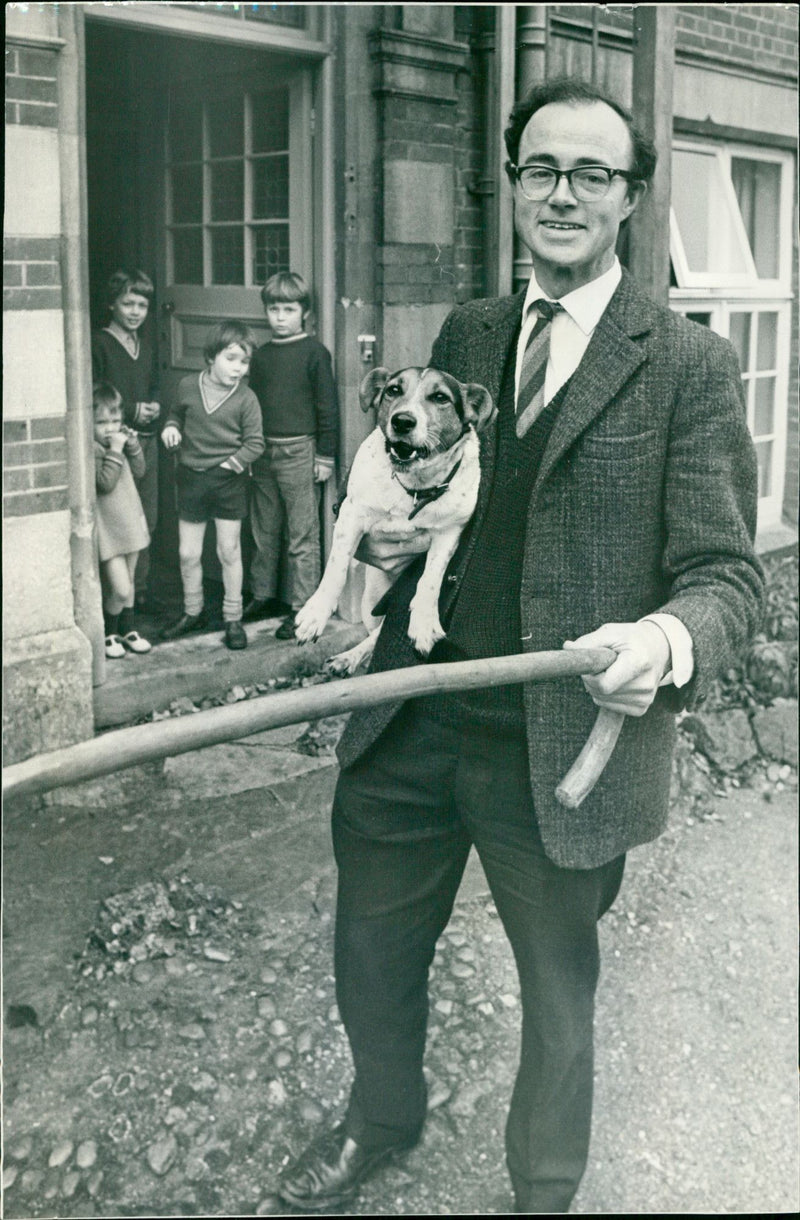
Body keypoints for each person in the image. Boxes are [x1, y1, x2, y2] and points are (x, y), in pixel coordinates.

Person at [274, 78, 764, 1214]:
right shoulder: (470, 331)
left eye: (591, 174)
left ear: (630, 197)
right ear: (512, 185)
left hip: (560, 741)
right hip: (413, 709)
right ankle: (379, 1119)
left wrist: (663, 637)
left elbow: (727, 579)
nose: (561, 194)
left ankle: (543, 1188)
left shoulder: (686, 363)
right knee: (371, 948)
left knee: (556, 997)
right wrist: (379, 558)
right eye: (540, 169)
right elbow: (433, 498)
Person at [243, 271, 338, 640]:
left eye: (288, 310)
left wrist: (325, 455)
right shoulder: (262, 356)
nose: (280, 317)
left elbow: (327, 407)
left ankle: (302, 606)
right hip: (263, 451)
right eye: (273, 309)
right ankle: (263, 595)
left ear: (305, 313)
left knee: (302, 534)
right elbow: (251, 405)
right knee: (264, 529)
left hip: (300, 451)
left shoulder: (315, 353)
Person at [159, 321, 264, 652]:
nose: (238, 368)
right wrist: (171, 428)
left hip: (228, 482)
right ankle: (194, 612)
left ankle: (233, 618)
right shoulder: (187, 386)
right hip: (192, 478)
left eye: (244, 361)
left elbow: (255, 443)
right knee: (188, 553)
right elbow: (176, 415)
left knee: (228, 551)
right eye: (231, 359)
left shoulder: (246, 398)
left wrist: (228, 466)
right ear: (211, 356)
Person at [91, 269, 161, 607]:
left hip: (144, 442)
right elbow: (95, 394)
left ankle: (138, 590)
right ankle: (113, 595)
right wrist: (132, 410)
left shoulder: (145, 345)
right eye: (128, 303)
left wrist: (155, 405)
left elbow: (154, 383)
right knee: (117, 518)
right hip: (111, 447)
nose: (135, 312)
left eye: (142, 305)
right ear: (111, 304)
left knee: (146, 516)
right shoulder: (99, 343)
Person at [92, 381, 152, 659]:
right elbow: (105, 483)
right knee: (120, 587)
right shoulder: (94, 449)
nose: (110, 429)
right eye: (102, 422)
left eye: (115, 421)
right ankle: (108, 631)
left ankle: (126, 630)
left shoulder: (117, 442)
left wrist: (133, 444)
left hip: (130, 522)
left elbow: (140, 471)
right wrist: (115, 449)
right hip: (110, 530)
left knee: (129, 582)